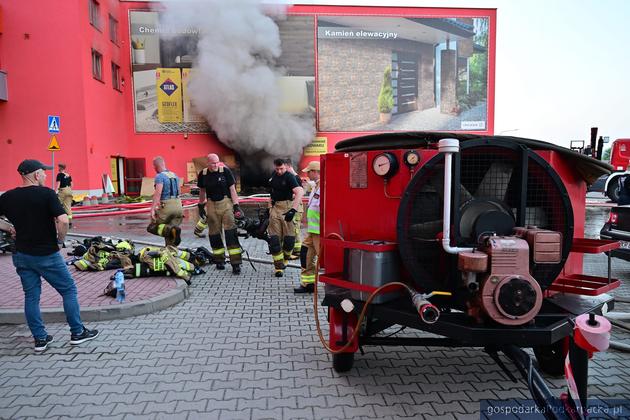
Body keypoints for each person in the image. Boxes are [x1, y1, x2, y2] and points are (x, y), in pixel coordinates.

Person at [0, 159, 99, 352]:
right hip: (46, 254)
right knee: (68, 290)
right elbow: (63, 220)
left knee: (31, 296)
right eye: (44, 172)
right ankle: (77, 332)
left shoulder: (8, 197)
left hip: (21, 254)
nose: (46, 175)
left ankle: (40, 339)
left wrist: (9, 228)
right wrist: (60, 241)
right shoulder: (46, 194)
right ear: (36, 175)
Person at [197, 153, 244, 274]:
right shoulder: (203, 174)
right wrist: (201, 205)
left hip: (226, 203)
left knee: (230, 232)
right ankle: (219, 260)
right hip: (211, 204)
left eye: (217, 162)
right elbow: (202, 191)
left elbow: (233, 190)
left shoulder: (225, 172)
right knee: (214, 234)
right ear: (208, 163)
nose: (215, 165)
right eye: (213, 163)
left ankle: (236, 263)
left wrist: (236, 206)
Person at [268, 158, 304, 277]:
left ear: (286, 166)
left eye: (282, 168)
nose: (279, 171)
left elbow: (299, 192)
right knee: (274, 240)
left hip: (287, 207)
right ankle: (278, 267)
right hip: (275, 208)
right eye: (277, 169)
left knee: (289, 240)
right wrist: (269, 208)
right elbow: (271, 193)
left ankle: (285, 260)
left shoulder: (289, 176)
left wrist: (293, 210)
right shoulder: (274, 175)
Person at [295, 161, 321, 293]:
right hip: (313, 230)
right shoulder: (316, 186)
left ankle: (335, 286)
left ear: (315, 172)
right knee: (305, 252)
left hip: (320, 231)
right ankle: (308, 283)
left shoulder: (325, 187)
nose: (307, 174)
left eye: (309, 172)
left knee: (324, 258)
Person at [147, 156, 183, 247]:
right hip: (178, 206)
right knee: (172, 235)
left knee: (152, 227)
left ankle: (171, 231)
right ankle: (171, 253)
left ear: (155, 166)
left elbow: (158, 193)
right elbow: (179, 191)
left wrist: (152, 209)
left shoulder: (159, 176)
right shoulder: (175, 175)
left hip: (167, 206)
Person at [285, 158, 304, 259]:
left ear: (288, 166)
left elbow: (298, 194)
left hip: (296, 208)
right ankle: (297, 250)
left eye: (284, 167)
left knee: (295, 229)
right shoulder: (294, 177)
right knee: (294, 229)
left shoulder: (295, 178)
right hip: (295, 207)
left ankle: (297, 251)